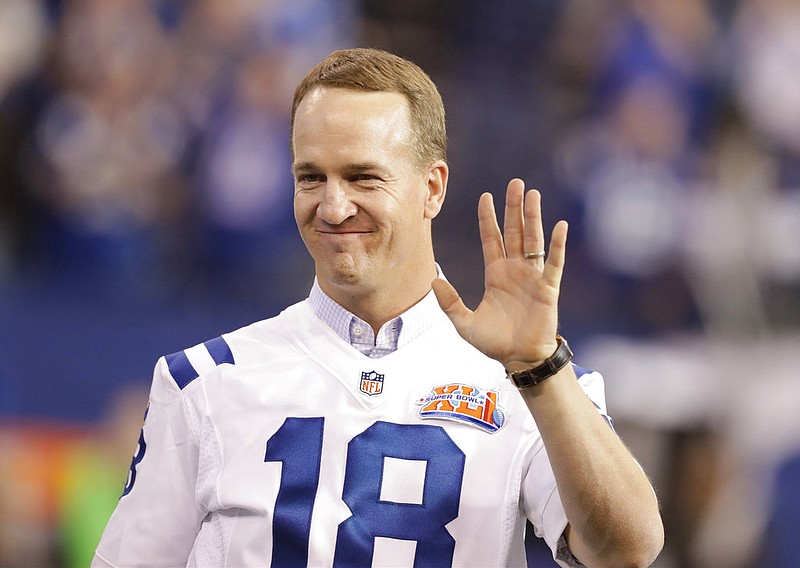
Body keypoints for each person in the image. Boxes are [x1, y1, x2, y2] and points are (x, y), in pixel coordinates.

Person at [92, 48, 664, 567]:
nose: (333, 206)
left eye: (363, 177)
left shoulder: (533, 385)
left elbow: (627, 551)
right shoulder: (203, 384)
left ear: (433, 188)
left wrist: (539, 368)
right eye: (310, 177)